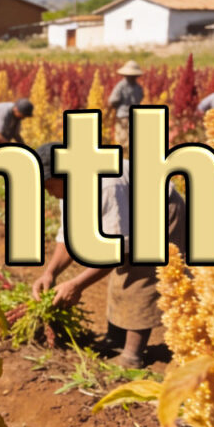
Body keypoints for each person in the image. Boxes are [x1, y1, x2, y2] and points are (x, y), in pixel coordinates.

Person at [30, 142, 186, 368]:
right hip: (131, 210)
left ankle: (132, 355)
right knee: (119, 277)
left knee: (140, 277)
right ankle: (115, 340)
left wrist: (76, 284)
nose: (46, 191)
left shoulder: (107, 187)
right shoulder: (68, 191)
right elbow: (70, 237)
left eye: (47, 184)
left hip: (162, 210)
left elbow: (116, 252)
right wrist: (50, 273)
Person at [107, 60, 144, 150]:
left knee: (122, 141)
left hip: (123, 116)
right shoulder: (138, 87)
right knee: (133, 141)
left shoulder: (121, 86)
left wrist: (108, 111)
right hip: (135, 116)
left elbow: (113, 100)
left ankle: (123, 161)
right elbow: (141, 97)